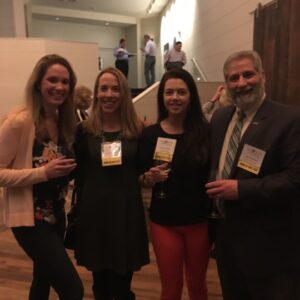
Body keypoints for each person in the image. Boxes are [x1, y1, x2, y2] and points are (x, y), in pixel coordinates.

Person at [205, 50, 300, 299]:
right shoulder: (220, 118)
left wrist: (241, 190)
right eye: (233, 78)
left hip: (271, 250)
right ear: (226, 85)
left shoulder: (290, 120)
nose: (241, 83)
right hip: (227, 244)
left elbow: (295, 179)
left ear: (263, 75)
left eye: (248, 74)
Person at [0, 54, 84, 299]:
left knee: (43, 279)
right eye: (52, 80)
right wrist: (43, 173)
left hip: (56, 216)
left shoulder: (63, 122)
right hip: (30, 220)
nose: (59, 87)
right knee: (73, 290)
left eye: (65, 82)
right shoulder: (20, 121)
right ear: (38, 83)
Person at [74, 67, 149, 300]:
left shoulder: (138, 130)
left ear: (124, 94)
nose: (109, 94)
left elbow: (142, 173)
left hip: (126, 213)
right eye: (103, 88)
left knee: (122, 285)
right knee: (100, 285)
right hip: (94, 213)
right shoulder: (84, 131)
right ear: (96, 93)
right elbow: (78, 172)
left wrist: (150, 177)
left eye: (115, 89)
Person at [139, 68, 210, 300]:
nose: (175, 97)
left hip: (199, 221)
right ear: (162, 97)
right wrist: (148, 178)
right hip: (164, 222)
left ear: (191, 96)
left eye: (181, 92)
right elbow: (140, 177)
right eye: (169, 92)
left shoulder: (205, 132)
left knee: (198, 286)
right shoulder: (150, 134)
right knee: (170, 287)